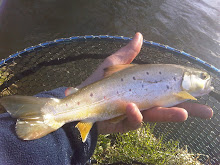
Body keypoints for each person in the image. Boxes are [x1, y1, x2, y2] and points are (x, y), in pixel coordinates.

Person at [0, 33, 213, 165]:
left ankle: (61, 115)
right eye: (203, 77)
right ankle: (56, 114)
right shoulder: (178, 87)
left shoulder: (181, 90)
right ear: (185, 77)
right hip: (82, 113)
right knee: (59, 113)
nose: (205, 81)